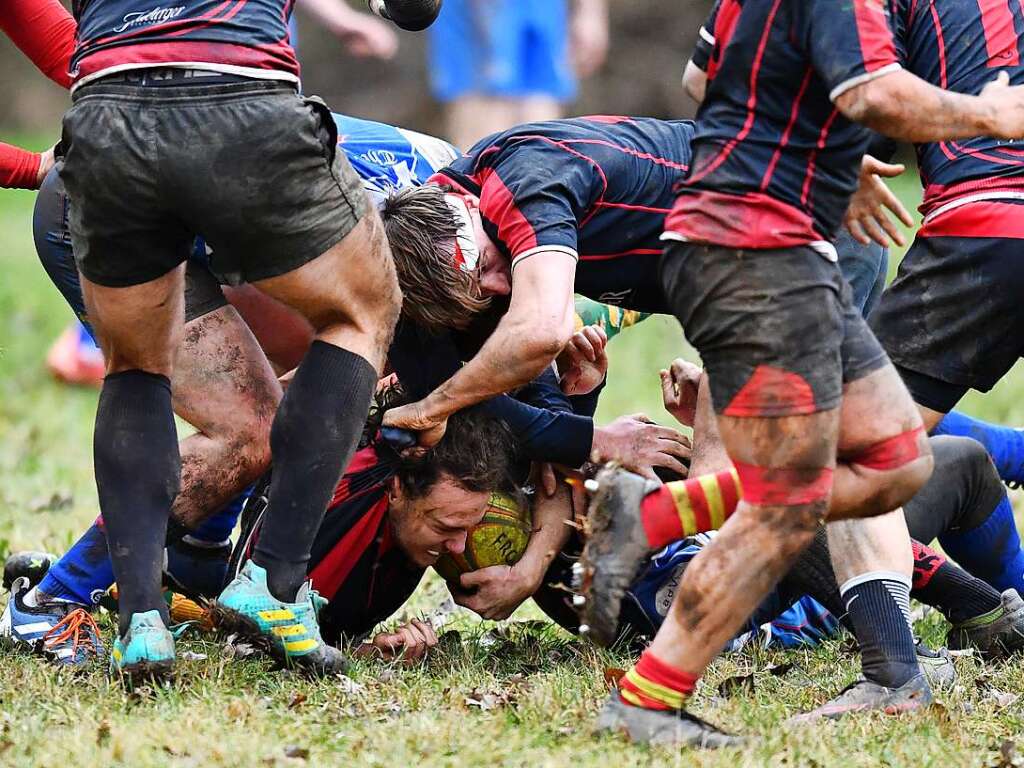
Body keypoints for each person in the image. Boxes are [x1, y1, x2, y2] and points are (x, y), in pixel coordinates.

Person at [585, 0, 1024, 747]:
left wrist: (823, 151)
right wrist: (988, 113)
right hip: (753, 251)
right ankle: (647, 700)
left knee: (892, 462)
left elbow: (702, 76)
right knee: (789, 503)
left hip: (776, 249)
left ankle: (657, 517)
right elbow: (869, 94)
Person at [57, 0, 441, 685]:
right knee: (363, 309)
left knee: (135, 365)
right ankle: (275, 583)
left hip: (107, 106)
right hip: (241, 95)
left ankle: (141, 623)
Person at [426, 0, 609, 149]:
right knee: (485, 111)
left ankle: (537, 188)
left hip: (542, 8)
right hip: (468, 10)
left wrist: (590, 10)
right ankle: (481, 188)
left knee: (541, 110)